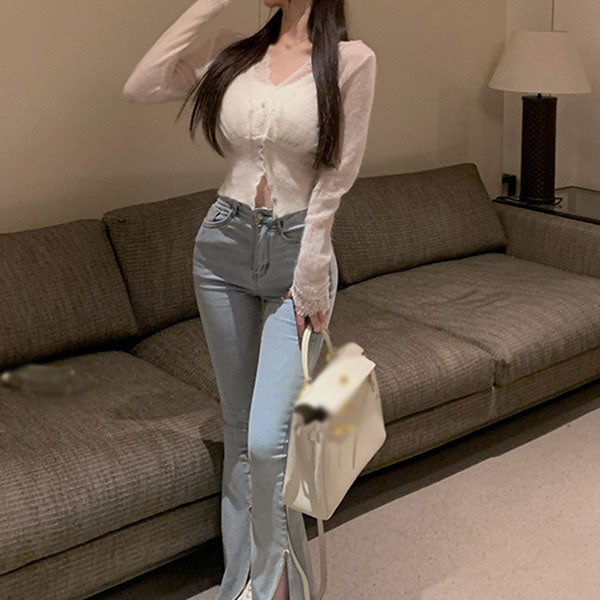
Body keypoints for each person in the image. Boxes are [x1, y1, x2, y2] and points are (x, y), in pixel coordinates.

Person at [122, 0, 376, 598]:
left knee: (268, 441)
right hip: (222, 246)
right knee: (239, 432)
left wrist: (312, 267)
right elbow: (141, 84)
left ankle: (274, 588)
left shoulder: (351, 61)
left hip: (297, 252)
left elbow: (337, 176)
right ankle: (247, 586)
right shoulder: (231, 51)